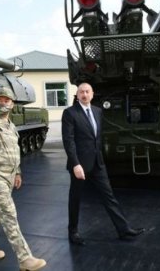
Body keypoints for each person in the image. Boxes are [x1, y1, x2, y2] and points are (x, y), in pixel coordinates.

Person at [61, 82, 145, 246]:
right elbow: (68, 141)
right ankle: (73, 232)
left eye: (87, 92)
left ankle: (124, 229)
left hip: (98, 163)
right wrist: (75, 164)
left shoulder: (98, 111)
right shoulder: (70, 113)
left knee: (109, 196)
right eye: (81, 92)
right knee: (76, 199)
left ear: (92, 94)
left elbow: (96, 138)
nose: (84, 95)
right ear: (77, 95)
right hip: (80, 165)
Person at [0, 87, 46, 271]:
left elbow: (14, 152)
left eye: (6, 100)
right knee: (9, 214)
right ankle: (25, 259)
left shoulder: (11, 126)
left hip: (9, 175)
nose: (2, 102)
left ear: (12, 104)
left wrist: (17, 172)